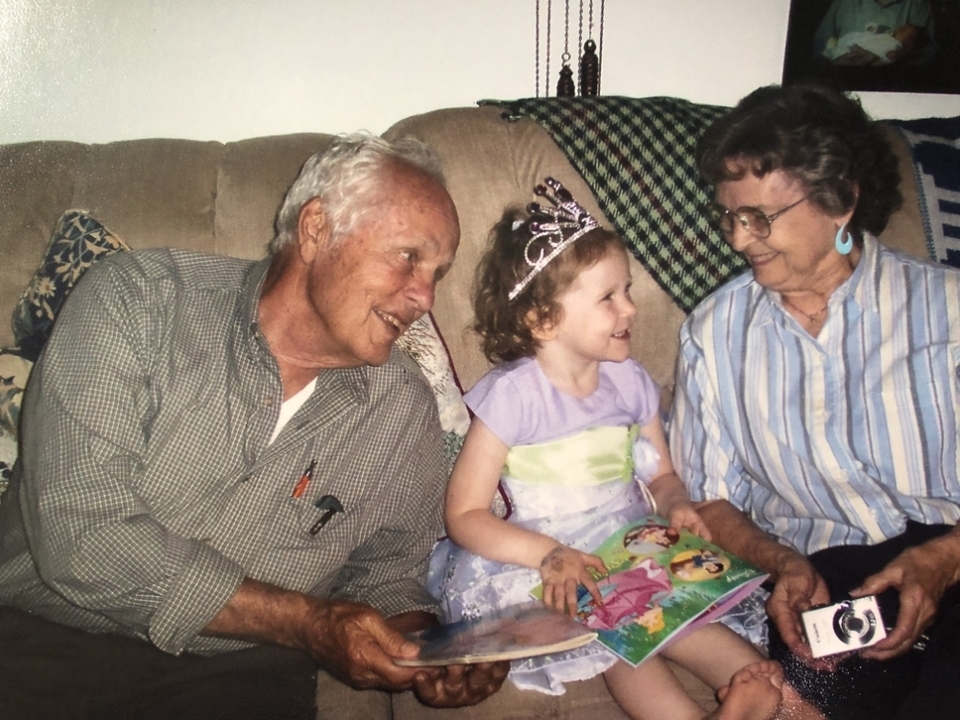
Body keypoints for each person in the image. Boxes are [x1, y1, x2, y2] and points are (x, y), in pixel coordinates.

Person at [0, 133, 508, 719]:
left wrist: (427, 649)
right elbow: (80, 534)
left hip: (236, 674)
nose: (423, 297)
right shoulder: (139, 300)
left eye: (437, 273)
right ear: (316, 229)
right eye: (408, 257)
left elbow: (386, 574)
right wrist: (305, 622)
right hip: (39, 634)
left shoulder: (402, 410)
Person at [429, 178, 791, 720]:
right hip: (552, 557)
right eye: (608, 298)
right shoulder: (512, 396)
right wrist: (547, 555)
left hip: (634, 541)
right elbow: (464, 515)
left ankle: (764, 690)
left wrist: (677, 505)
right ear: (543, 319)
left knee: (688, 618)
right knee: (618, 641)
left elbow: (661, 475)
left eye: (628, 291)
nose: (631, 309)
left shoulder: (630, 381)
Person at [669, 82, 960, 720]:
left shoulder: (949, 309)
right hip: (830, 579)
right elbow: (709, 503)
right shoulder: (714, 334)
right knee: (812, 700)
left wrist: (943, 558)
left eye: (759, 217)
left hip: (955, 550)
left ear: (841, 201)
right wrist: (783, 564)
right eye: (729, 217)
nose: (739, 240)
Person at [813, 0, 934, 66]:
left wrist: (884, 62)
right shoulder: (844, 3)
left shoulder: (917, 6)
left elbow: (929, 56)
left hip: (892, 86)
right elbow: (818, 50)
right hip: (842, 81)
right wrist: (836, 65)